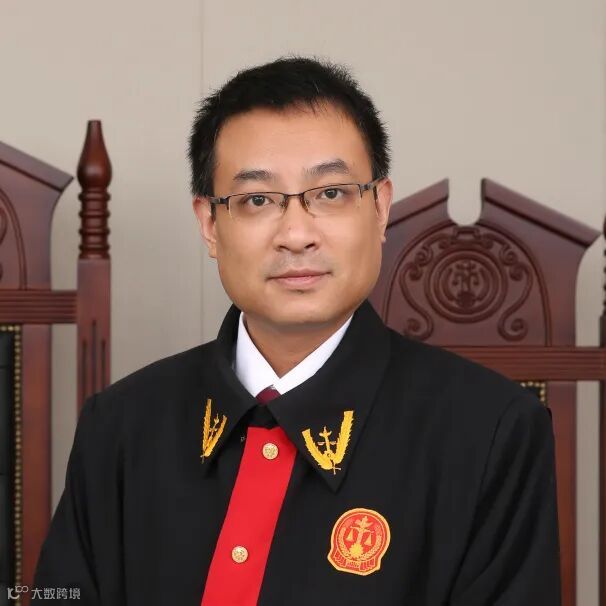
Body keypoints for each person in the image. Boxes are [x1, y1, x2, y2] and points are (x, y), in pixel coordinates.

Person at [33, 56, 561, 605]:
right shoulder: (119, 426)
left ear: (380, 207)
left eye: (330, 193)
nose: (296, 234)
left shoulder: (492, 431)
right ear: (209, 224)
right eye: (257, 200)